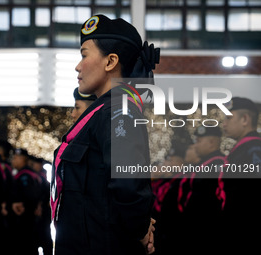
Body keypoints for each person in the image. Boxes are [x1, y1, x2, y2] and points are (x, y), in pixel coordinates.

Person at [51, 14, 159, 255]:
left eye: (84, 55)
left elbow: (129, 185)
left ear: (110, 61)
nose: (78, 66)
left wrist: (140, 229)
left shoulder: (120, 110)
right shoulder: (103, 111)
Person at [221, 97, 261, 254]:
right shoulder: (243, 148)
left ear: (245, 119)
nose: (224, 123)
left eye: (229, 118)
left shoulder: (253, 150)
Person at [180, 126, 226, 254]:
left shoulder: (219, 163)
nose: (195, 145)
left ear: (211, 142)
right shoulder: (202, 164)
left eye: (199, 141)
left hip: (207, 229)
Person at [11, 148, 43, 255]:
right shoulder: (32, 174)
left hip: (24, 216)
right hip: (31, 217)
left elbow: (30, 195)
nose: (13, 161)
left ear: (23, 159)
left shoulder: (24, 175)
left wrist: (20, 204)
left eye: (15, 158)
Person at [29, 155, 53, 255]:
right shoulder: (38, 177)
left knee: (44, 237)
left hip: (43, 213)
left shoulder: (41, 179)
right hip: (41, 213)